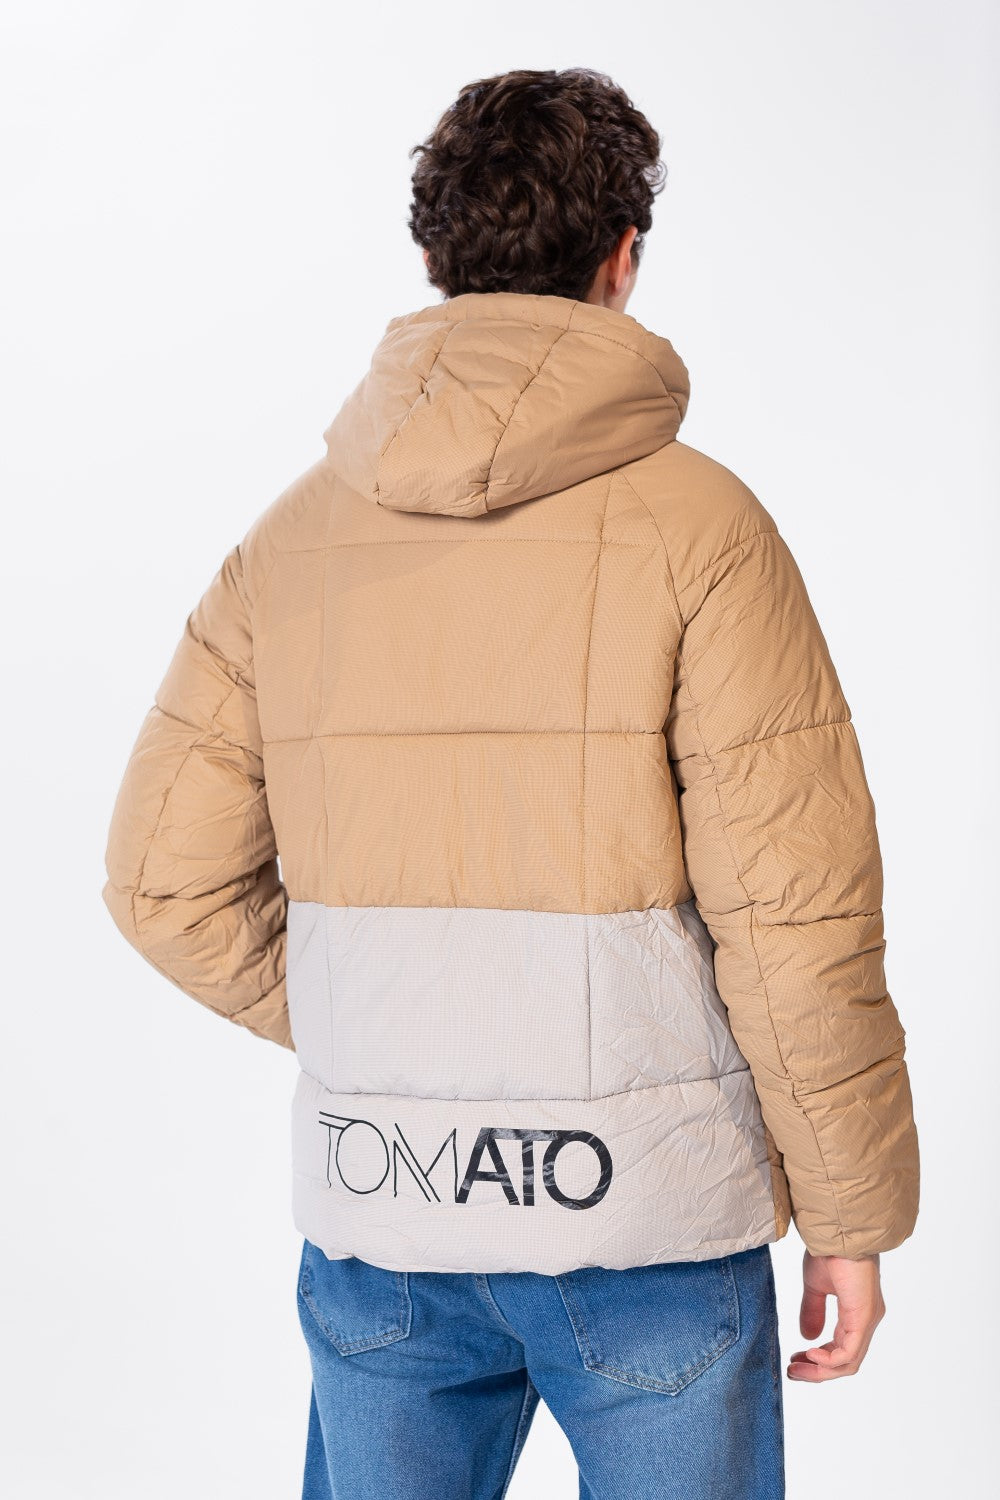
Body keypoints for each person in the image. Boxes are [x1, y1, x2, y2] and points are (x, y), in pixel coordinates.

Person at [102, 66, 920, 1500]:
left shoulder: (291, 542)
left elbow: (161, 882)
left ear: (437, 256)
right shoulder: (705, 528)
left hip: (388, 1207)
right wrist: (851, 1216)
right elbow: (795, 916)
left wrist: (399, 1034)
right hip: (651, 1221)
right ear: (623, 258)